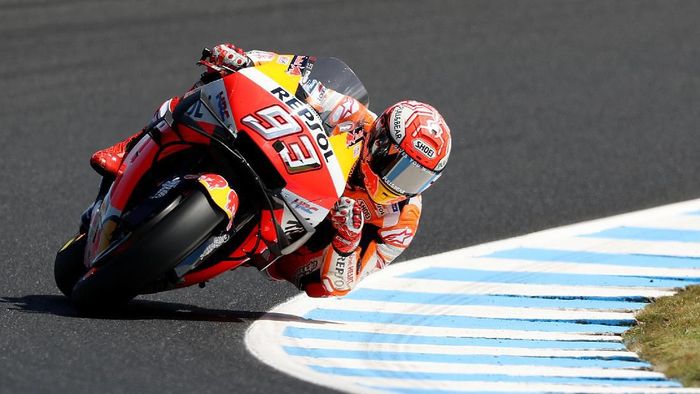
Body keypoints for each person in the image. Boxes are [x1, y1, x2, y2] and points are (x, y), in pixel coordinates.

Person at [90, 43, 452, 298]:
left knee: (318, 283)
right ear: (379, 141)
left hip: (297, 245)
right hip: (287, 169)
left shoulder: (401, 221)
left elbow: (342, 286)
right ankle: (131, 144)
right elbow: (291, 70)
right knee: (218, 82)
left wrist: (346, 241)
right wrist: (245, 60)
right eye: (397, 164)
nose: (398, 182)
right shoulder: (352, 116)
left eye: (415, 177)